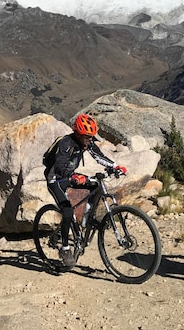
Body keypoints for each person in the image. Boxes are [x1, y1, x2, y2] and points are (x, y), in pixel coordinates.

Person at [44, 113, 127, 266]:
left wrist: (115, 166)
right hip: (56, 179)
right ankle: (65, 248)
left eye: (91, 136)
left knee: (95, 185)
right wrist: (73, 176)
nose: (90, 139)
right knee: (67, 211)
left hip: (70, 176)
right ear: (78, 133)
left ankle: (86, 219)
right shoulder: (66, 144)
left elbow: (99, 156)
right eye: (87, 136)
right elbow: (59, 165)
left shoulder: (86, 142)